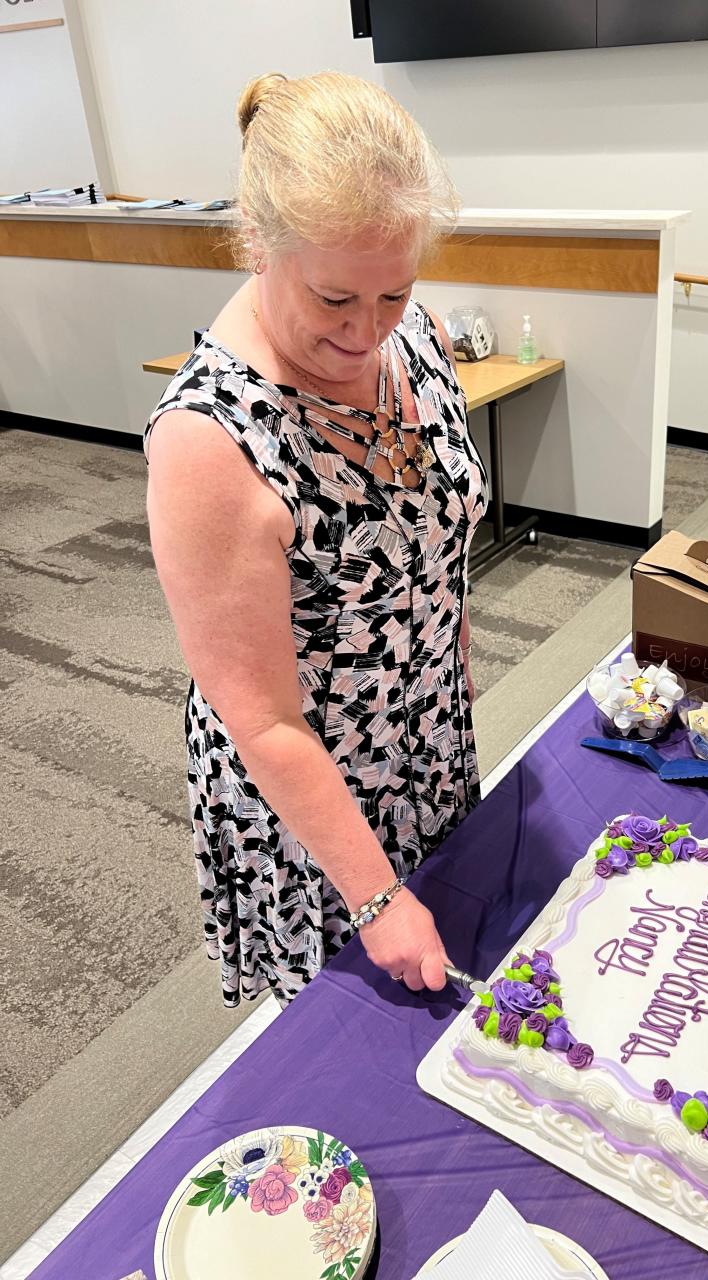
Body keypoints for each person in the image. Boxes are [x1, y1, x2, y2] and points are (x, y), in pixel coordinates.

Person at [145, 71, 487, 1007]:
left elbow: (434, 541)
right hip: (314, 793)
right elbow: (258, 717)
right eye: (336, 299)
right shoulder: (212, 441)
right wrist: (374, 895)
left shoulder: (413, 335)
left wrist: (451, 668)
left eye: (394, 294)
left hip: (427, 740)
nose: (367, 332)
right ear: (256, 242)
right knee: (346, 1050)